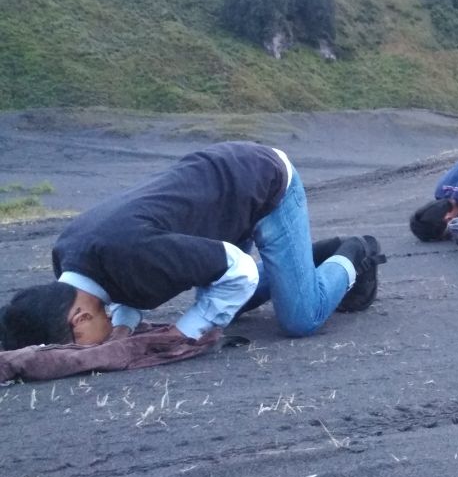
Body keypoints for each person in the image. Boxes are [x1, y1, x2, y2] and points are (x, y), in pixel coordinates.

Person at [0, 142, 386, 350]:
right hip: (216, 192)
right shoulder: (68, 261)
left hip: (263, 181)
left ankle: (354, 252)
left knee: (300, 317)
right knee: (234, 306)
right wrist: (123, 325)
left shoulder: (135, 255)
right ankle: (307, 259)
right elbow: (121, 287)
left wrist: (185, 334)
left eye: (80, 347)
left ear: (79, 320)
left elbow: (240, 268)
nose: (92, 350)